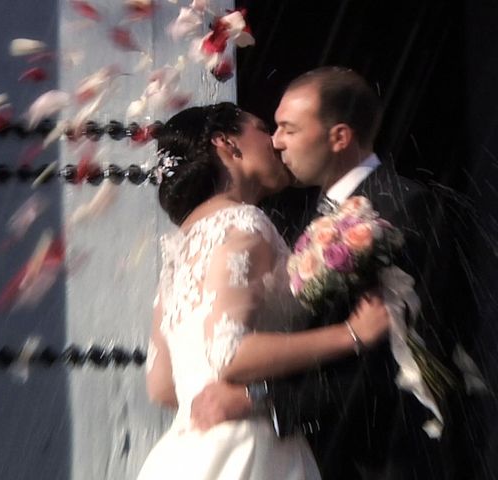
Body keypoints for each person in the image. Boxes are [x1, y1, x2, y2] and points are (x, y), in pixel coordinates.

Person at [190, 67, 463, 479]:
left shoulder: (402, 208)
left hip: (394, 455)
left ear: (339, 137)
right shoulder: (304, 215)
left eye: (289, 129)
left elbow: (405, 355)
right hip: (327, 453)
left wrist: (263, 398)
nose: (276, 142)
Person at [138, 102, 391, 480]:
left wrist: (222, 395)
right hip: (247, 452)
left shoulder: (178, 249)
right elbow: (229, 353)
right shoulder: (244, 221)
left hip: (182, 454)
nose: (275, 140)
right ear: (226, 143)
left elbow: (161, 386)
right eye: (261, 127)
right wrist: (351, 334)